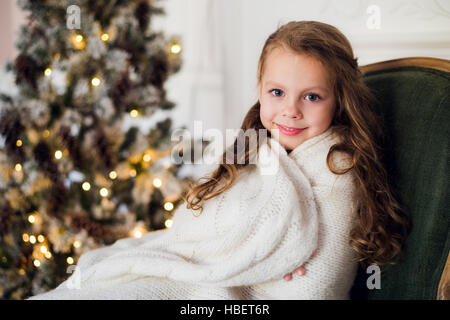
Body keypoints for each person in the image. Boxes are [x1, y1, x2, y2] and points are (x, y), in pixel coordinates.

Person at [28, 20, 409, 300]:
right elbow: (198, 224)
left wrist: (275, 265)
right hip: (200, 272)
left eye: (311, 97)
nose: (289, 111)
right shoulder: (253, 149)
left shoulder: (337, 168)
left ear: (339, 99)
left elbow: (320, 282)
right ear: (260, 89)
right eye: (277, 92)